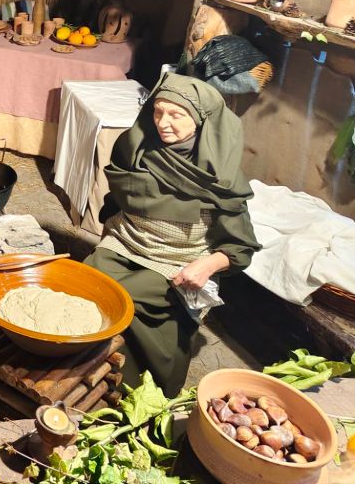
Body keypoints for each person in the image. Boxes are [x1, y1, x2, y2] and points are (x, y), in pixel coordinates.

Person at [84, 73, 259, 396]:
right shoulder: (135, 146)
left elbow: (240, 246)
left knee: (124, 298)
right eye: (158, 111)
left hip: (177, 259)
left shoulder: (218, 173)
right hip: (125, 242)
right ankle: (87, 370)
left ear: (201, 119)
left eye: (176, 115)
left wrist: (207, 265)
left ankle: (142, 386)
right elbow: (117, 197)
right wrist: (113, 227)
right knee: (83, 284)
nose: (163, 123)